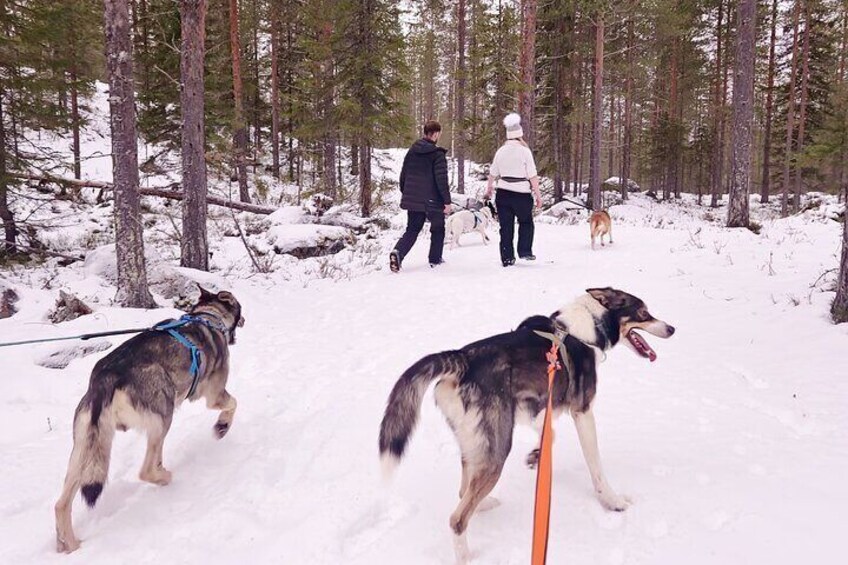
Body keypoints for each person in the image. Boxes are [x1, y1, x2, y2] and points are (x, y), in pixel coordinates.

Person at [390, 120, 452, 272]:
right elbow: (441, 180)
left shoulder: (412, 151)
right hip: (433, 200)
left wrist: (407, 194)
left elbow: (403, 176)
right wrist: (447, 201)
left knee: (412, 229)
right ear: (436, 134)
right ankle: (435, 259)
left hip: (414, 199)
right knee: (438, 228)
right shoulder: (437, 154)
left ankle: (398, 252)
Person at [484, 113, 543, 267]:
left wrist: (489, 190)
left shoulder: (500, 151)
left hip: (503, 193)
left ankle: (507, 257)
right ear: (520, 135)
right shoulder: (525, 151)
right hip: (522, 194)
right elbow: (533, 176)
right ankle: (524, 251)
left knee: (506, 227)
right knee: (526, 222)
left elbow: (492, 174)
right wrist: (538, 196)